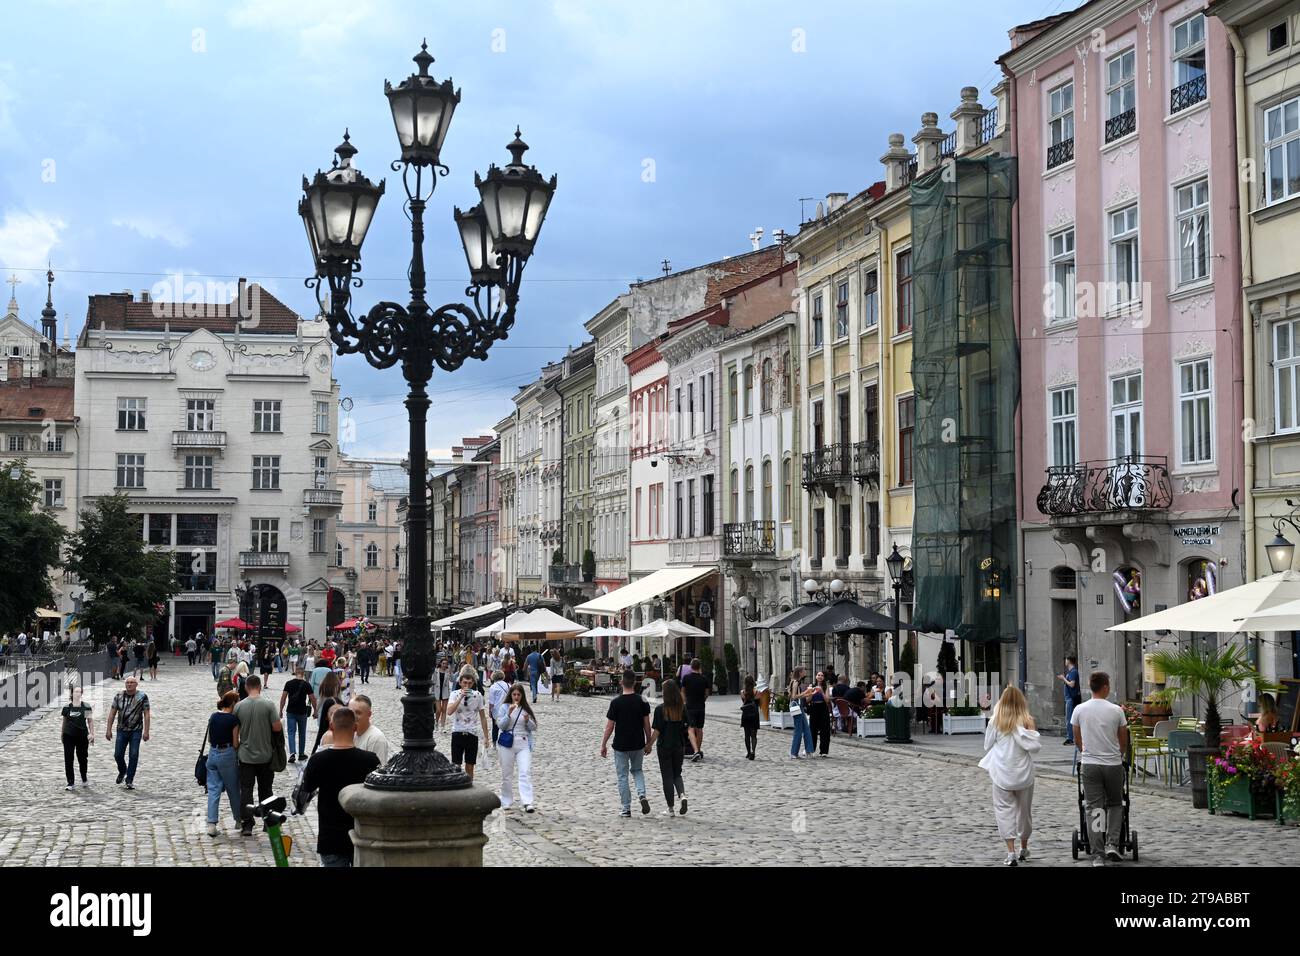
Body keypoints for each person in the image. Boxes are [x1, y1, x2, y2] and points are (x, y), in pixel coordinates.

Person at [299, 706, 381, 867]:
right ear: (355, 728)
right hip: (361, 834)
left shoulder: (318, 760)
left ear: (331, 727)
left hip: (330, 837)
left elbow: (307, 788)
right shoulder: (370, 760)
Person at [978, 685, 1041, 866]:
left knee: (1004, 811)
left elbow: (987, 745)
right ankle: (1024, 846)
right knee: (1024, 812)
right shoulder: (1028, 720)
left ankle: (1010, 852)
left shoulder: (996, 721)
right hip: (1023, 774)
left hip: (1002, 773)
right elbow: (1034, 747)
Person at [1072, 671, 1130, 866]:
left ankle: (1097, 855)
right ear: (1105, 687)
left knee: (1094, 807)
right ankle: (1112, 844)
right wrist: (1118, 754)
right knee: (1115, 803)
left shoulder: (1079, 709)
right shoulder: (1116, 711)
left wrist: (1085, 751)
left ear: (1091, 686)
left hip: (1090, 764)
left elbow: (1077, 739)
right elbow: (1123, 739)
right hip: (1112, 764)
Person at [233, 675, 282, 837]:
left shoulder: (239, 706)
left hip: (246, 755)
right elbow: (276, 728)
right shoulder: (268, 705)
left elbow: (235, 732)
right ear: (260, 686)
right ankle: (268, 822)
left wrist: (238, 746)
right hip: (265, 755)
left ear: (246, 687)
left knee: (246, 790)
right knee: (266, 789)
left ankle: (247, 824)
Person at [601, 670, 652, 818]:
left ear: (622, 682)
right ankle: (642, 795)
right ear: (635, 683)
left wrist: (603, 744)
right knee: (637, 771)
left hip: (621, 745)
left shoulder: (616, 702)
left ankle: (626, 808)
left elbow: (610, 726)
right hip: (637, 744)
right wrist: (648, 742)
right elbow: (647, 724)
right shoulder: (642, 701)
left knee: (622, 776)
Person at [646, 678, 689, 815]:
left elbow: (657, 731)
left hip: (664, 746)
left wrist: (649, 745)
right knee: (677, 774)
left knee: (667, 777)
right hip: (679, 746)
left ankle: (670, 808)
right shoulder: (682, 709)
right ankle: (682, 796)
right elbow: (687, 728)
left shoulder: (660, 710)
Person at [494, 682, 538, 812]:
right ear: (511, 695)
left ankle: (527, 801)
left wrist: (527, 720)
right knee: (506, 774)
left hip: (523, 742)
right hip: (508, 743)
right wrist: (508, 713)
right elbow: (501, 725)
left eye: (519, 694)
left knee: (525, 772)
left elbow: (533, 727)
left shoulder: (526, 709)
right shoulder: (504, 707)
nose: (516, 697)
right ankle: (506, 800)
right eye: (514, 694)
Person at [204, 691, 242, 836]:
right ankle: (238, 819)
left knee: (213, 790)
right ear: (233, 703)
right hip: (226, 754)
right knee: (233, 789)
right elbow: (235, 743)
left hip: (212, 753)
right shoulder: (233, 720)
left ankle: (212, 823)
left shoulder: (213, 716)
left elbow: (209, 739)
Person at [106, 676, 150, 789]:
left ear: (136, 685)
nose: (129, 684)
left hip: (136, 730)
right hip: (121, 730)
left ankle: (129, 779)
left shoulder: (142, 696)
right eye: (127, 683)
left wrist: (146, 731)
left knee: (133, 755)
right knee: (118, 754)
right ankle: (122, 770)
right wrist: (108, 729)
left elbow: (146, 714)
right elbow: (112, 713)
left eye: (132, 683)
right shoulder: (118, 696)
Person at [447, 667, 490, 782]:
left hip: (472, 733)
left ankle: (469, 787)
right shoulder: (454, 694)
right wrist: (460, 696)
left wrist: (486, 737)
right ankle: (456, 788)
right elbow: (449, 711)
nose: (467, 685)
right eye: (464, 683)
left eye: (470, 683)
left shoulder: (478, 696)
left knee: (470, 765)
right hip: (457, 731)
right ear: (460, 682)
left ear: (473, 683)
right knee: (456, 765)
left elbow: (483, 717)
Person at [279, 666, 316, 763]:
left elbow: (283, 698)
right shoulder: (306, 684)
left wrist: (280, 710)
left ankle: (292, 753)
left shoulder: (289, 683)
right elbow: (312, 698)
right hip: (302, 712)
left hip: (291, 711)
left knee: (291, 732)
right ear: (303, 674)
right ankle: (301, 754)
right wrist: (315, 710)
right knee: (302, 733)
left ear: (295, 673)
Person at [61, 685, 94, 791]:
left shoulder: (86, 706)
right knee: (68, 758)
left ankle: (84, 778)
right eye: (76, 691)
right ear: (72, 693)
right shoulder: (67, 707)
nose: (78, 693)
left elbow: (90, 720)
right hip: (69, 736)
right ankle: (70, 782)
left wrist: (92, 734)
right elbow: (64, 721)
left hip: (82, 736)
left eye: (80, 691)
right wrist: (62, 734)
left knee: (83, 758)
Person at [681, 658, 710, 762]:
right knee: (700, 729)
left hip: (690, 706)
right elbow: (707, 693)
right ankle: (697, 749)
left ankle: (696, 750)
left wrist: (685, 702)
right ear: (699, 667)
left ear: (691, 667)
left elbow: (682, 691)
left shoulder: (686, 678)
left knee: (690, 728)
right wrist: (702, 700)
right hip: (701, 707)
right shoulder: (704, 679)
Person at [787, 667, 815, 759]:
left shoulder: (794, 681)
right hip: (797, 707)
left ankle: (809, 750)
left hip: (799, 706)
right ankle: (794, 752)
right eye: (804, 671)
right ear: (800, 672)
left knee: (806, 729)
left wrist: (806, 694)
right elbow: (794, 696)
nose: (805, 672)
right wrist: (806, 692)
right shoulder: (795, 682)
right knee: (799, 730)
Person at [313, 672, 343, 755]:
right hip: (335, 705)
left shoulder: (323, 685)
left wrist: (316, 710)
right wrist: (343, 706)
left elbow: (320, 699)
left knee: (323, 727)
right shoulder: (337, 684)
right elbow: (339, 697)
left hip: (326, 707)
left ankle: (324, 740)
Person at [1057, 655, 1081, 745]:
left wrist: (1063, 679)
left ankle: (1070, 738)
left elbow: (1072, 684)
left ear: (1069, 661)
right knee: (1070, 718)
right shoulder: (1071, 672)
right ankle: (1070, 737)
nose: (1065, 661)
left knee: (1069, 718)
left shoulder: (1073, 672)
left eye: (1066, 660)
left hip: (1070, 698)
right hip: (1069, 698)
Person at [808, 671, 832, 757]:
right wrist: (811, 692)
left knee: (825, 730)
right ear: (815, 676)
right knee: (812, 730)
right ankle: (811, 749)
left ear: (824, 677)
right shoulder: (811, 686)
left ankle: (824, 751)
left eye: (822, 675)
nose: (820, 677)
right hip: (814, 707)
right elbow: (808, 700)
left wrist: (821, 691)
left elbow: (827, 700)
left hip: (823, 707)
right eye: (818, 675)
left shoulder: (826, 687)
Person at [486, 669, 510, 746]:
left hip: (496, 709)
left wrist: (490, 711)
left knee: (495, 727)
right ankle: (506, 740)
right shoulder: (508, 685)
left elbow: (491, 702)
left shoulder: (493, 687)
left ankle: (494, 742)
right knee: (507, 726)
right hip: (507, 708)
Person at [740, 681, 760, 760]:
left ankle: (748, 752)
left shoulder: (743, 692)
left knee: (747, 735)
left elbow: (743, 702)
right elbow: (759, 703)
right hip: (754, 715)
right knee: (754, 735)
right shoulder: (757, 692)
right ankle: (753, 751)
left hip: (746, 715)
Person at [433, 658, 454, 730]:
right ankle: (436, 723)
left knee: (444, 710)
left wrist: (451, 672)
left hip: (445, 692)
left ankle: (442, 726)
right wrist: (431, 692)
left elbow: (452, 680)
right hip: (437, 691)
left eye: (446, 664)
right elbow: (433, 682)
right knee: (438, 709)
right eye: (443, 663)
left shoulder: (448, 671)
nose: (444, 665)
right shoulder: (436, 671)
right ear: (440, 664)